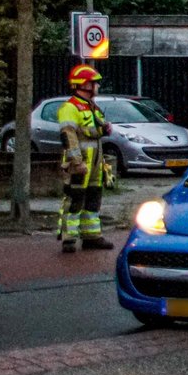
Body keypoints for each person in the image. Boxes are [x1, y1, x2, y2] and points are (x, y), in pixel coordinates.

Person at [56, 64, 116, 253]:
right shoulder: (70, 107)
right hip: (80, 163)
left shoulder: (92, 107)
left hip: (96, 163)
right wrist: (77, 162)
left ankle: (92, 237)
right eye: (94, 83)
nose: (97, 86)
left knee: (93, 199)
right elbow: (69, 136)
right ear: (85, 85)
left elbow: (93, 130)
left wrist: (104, 129)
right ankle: (69, 238)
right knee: (75, 199)